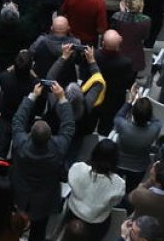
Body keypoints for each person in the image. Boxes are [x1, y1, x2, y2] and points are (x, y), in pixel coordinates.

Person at [10, 82, 74, 241]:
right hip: (44, 197)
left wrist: (32, 96)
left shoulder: (21, 142)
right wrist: (62, 98)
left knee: (15, 225)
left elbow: (18, 120)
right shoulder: (58, 147)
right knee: (38, 231)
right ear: (50, 135)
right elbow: (69, 126)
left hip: (21, 190)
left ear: (30, 134)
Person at [65, 139, 125, 240]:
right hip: (97, 223)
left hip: (73, 214)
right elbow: (114, 203)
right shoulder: (118, 184)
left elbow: (70, 182)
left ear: (94, 153)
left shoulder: (78, 168)